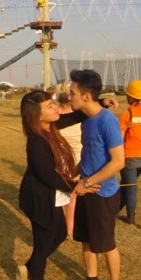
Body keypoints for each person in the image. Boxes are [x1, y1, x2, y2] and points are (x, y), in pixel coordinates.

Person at [66, 69, 126, 280]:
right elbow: (90, 153)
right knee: (86, 239)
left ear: (86, 96)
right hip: (86, 189)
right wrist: (74, 172)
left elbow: (118, 162)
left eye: (72, 93)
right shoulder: (87, 120)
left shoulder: (107, 121)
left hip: (102, 193)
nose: (69, 97)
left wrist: (87, 183)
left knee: (106, 243)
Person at [17, 90, 82, 280]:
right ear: (37, 115)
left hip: (50, 195)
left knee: (60, 234)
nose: (55, 107)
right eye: (49, 106)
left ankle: (29, 268)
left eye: (52, 102)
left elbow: (75, 116)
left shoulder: (51, 127)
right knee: (44, 241)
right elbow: (48, 176)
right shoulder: (36, 141)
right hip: (39, 199)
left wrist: (101, 103)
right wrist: (76, 187)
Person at [118, 80, 141, 226]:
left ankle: (130, 218)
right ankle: (113, 210)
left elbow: (119, 138)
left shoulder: (127, 114)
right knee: (125, 185)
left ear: (131, 97)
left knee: (130, 187)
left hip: (130, 156)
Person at [54, 82, 82, 239]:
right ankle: (69, 229)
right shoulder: (77, 115)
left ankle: (66, 228)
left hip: (66, 160)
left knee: (65, 194)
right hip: (73, 159)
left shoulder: (56, 115)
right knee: (71, 195)